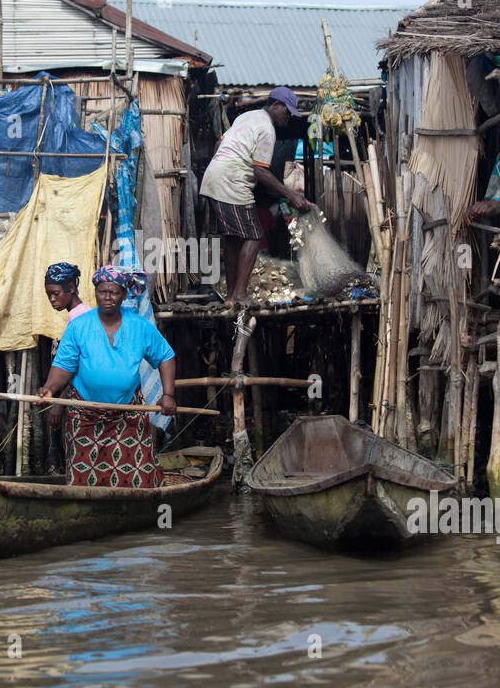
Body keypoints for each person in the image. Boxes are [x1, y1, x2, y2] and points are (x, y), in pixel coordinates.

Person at [36, 265, 176, 488]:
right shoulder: (79, 326)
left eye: (114, 292)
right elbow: (63, 367)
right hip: (85, 417)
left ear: (123, 294)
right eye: (102, 292)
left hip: (128, 416)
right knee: (85, 480)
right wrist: (50, 389)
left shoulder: (139, 326)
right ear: (95, 292)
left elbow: (165, 357)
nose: (108, 297)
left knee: (136, 478)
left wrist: (168, 394)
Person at [200, 87, 311, 303]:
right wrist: (292, 196)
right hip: (232, 179)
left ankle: (231, 296)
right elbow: (260, 171)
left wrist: (218, 167)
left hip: (214, 178)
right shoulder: (267, 129)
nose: (288, 117)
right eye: (286, 112)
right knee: (253, 235)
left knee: (233, 240)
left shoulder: (246, 116)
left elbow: (218, 143)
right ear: (275, 105)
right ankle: (240, 295)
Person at [42, 261, 92, 434]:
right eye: (49, 295)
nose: (52, 300)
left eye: (56, 294)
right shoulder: (79, 314)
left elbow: (79, 367)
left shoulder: (79, 317)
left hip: (82, 398)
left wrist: (59, 403)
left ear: (71, 287)